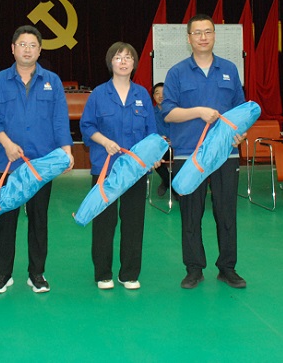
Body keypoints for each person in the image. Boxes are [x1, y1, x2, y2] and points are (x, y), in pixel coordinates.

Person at [0, 25, 74, 294]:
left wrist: (67, 151)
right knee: (5, 219)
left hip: (41, 164)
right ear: (13, 49)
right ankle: (3, 274)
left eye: (32, 45)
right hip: (7, 162)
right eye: (22, 44)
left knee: (38, 220)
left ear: (40, 50)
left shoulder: (52, 81)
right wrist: (7, 143)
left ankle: (37, 274)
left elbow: (60, 118)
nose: (27, 49)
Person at [161, 14, 247, 290]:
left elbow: (240, 111)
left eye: (207, 32)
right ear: (188, 38)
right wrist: (198, 112)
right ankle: (194, 268)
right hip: (189, 155)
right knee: (191, 213)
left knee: (226, 212)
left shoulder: (229, 69)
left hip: (225, 154)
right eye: (197, 33)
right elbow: (168, 113)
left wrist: (241, 133)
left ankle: (227, 268)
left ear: (214, 36)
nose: (202, 37)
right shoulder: (176, 73)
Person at [80, 42, 157, 290]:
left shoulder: (142, 95)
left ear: (134, 63)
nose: (123, 62)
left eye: (128, 58)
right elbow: (87, 126)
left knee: (133, 222)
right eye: (118, 57)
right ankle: (103, 273)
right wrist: (104, 142)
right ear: (110, 62)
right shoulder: (98, 94)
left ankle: (129, 274)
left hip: (135, 170)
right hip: (106, 168)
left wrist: (153, 155)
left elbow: (151, 133)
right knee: (104, 222)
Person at [152, 82, 173, 197]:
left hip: (176, 146)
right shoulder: (150, 113)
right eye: (157, 93)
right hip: (160, 147)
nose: (161, 96)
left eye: (164, 93)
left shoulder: (175, 111)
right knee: (154, 157)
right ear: (153, 96)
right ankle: (173, 187)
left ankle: (166, 182)